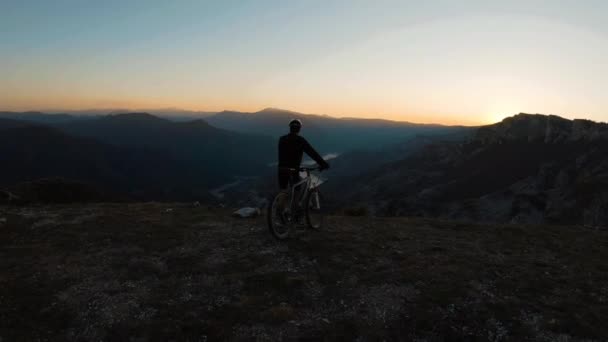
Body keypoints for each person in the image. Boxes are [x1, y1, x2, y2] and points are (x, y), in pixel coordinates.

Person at [277, 119, 329, 190]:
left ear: (290, 128)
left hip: (282, 169)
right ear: (299, 129)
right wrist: (323, 163)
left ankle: (281, 199)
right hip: (294, 170)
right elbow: (312, 153)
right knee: (297, 191)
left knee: (283, 191)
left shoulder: (282, 139)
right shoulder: (300, 140)